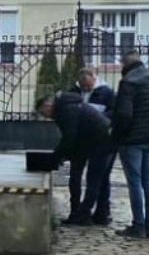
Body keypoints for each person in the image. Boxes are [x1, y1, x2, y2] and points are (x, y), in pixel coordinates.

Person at [41, 89, 114, 229]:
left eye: (44, 113)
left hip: (98, 142)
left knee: (93, 179)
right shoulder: (70, 106)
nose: (46, 117)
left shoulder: (65, 110)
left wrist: (57, 156)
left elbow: (69, 136)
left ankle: (83, 214)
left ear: (47, 106)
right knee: (99, 179)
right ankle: (99, 214)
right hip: (100, 139)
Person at [109, 56, 149, 240]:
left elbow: (124, 114)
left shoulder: (128, 82)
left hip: (131, 139)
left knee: (135, 182)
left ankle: (138, 225)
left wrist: (117, 136)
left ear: (126, 65)